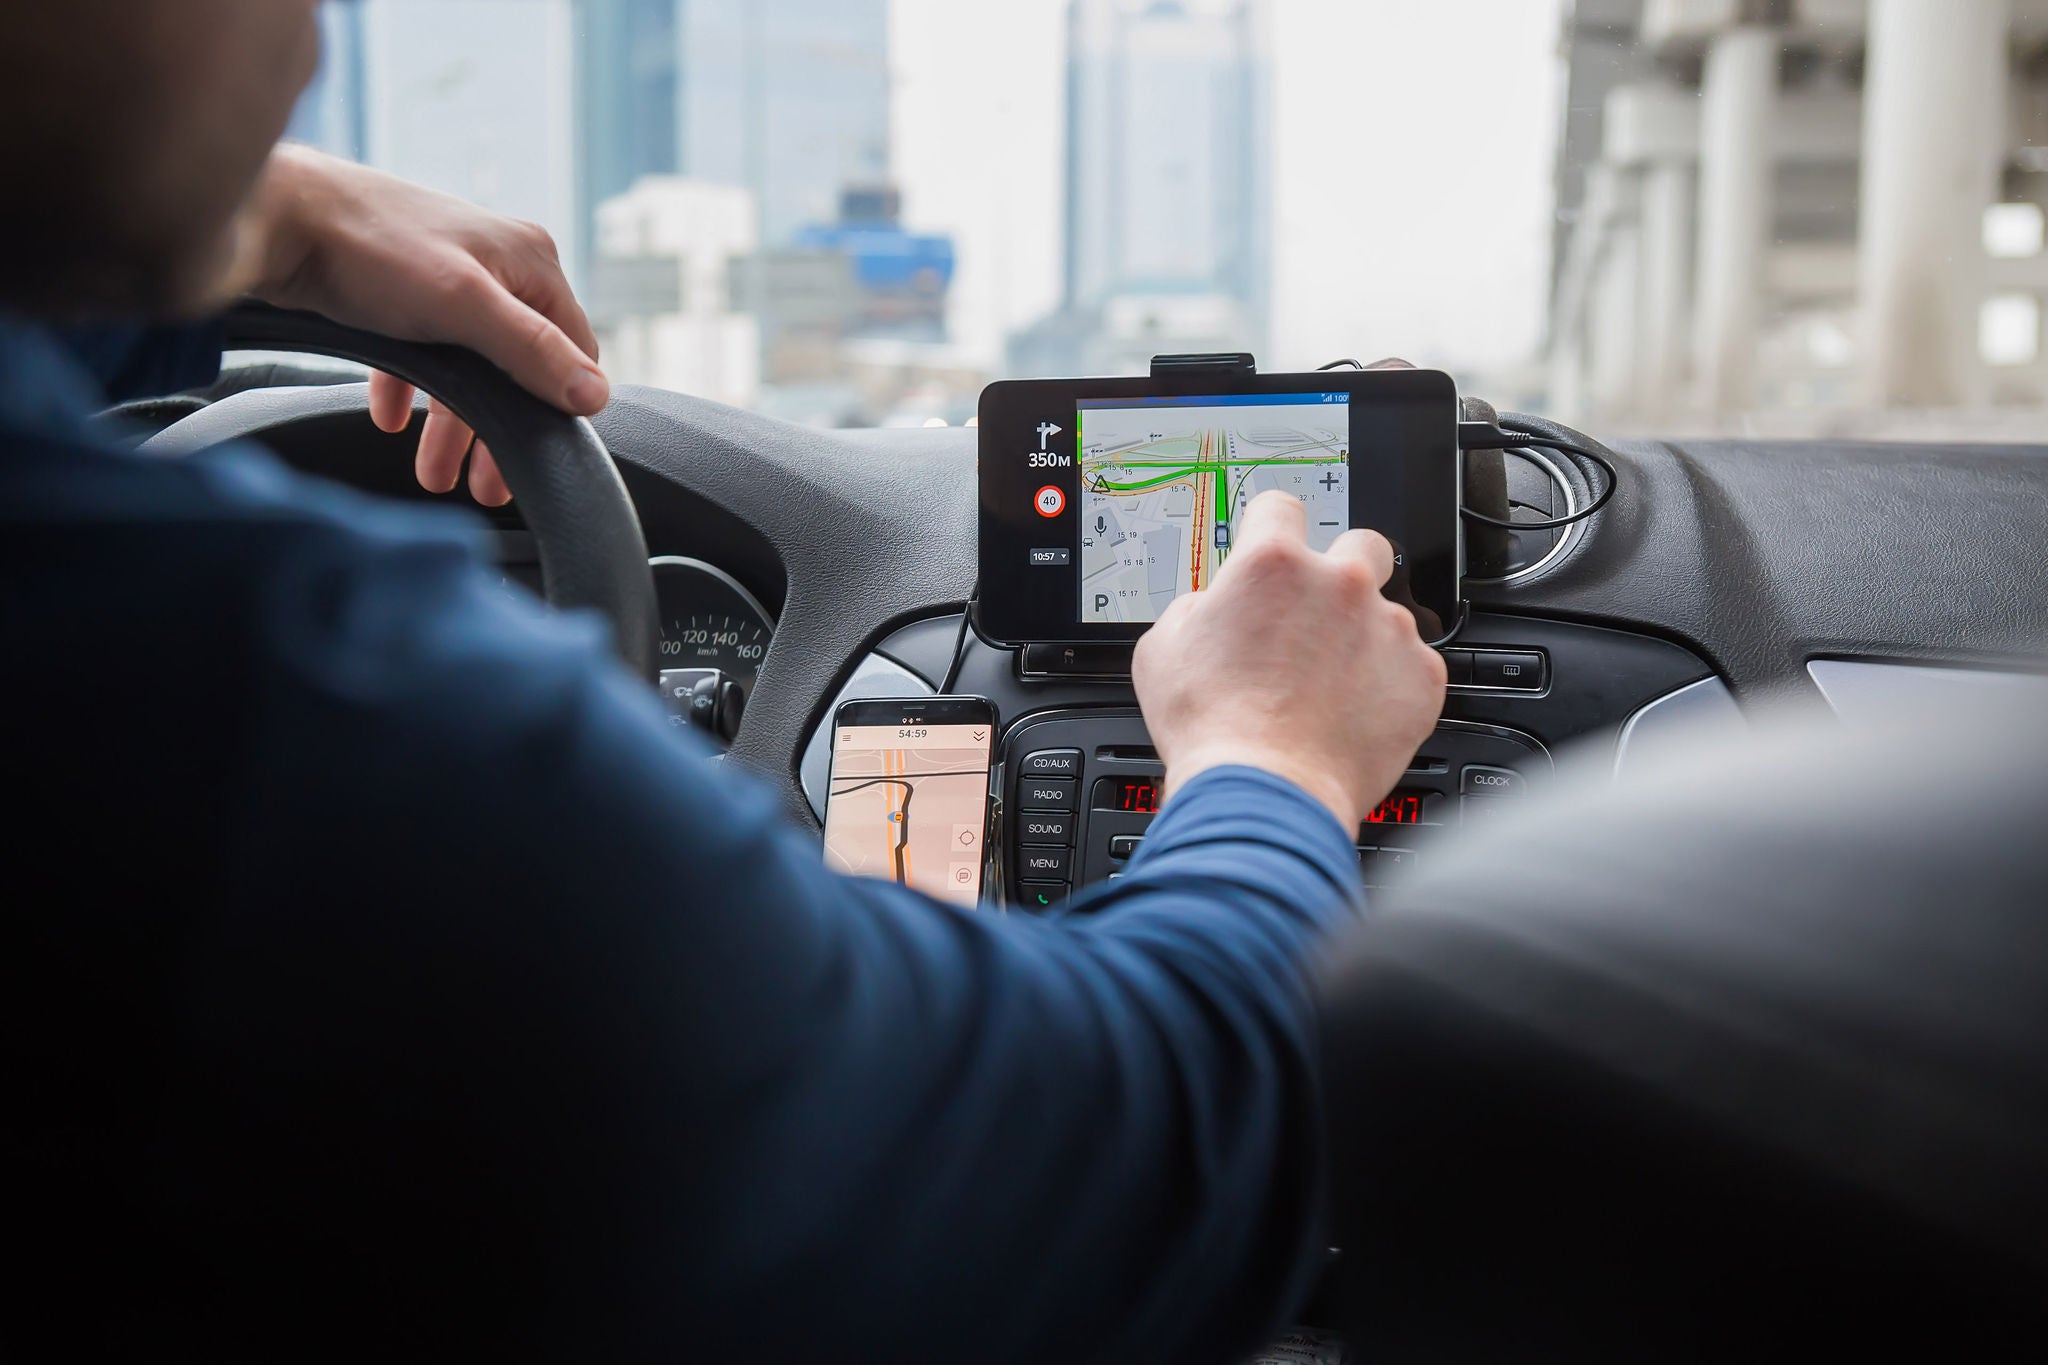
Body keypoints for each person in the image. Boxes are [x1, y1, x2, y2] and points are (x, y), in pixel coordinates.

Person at [1, 3, 1446, 1360]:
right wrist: (1274, 755)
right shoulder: (312, 731)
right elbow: (1157, 1159)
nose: (312, 36)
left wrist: (272, 217)